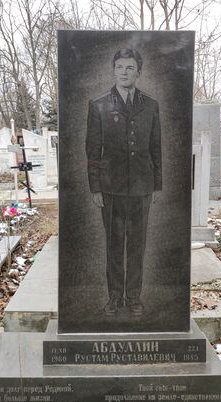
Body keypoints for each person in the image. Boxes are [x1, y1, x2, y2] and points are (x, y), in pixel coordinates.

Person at [86, 48, 162, 317]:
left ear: (138, 71)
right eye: (119, 67)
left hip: (142, 185)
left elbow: (156, 147)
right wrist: (95, 187)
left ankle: (134, 297)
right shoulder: (98, 105)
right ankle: (115, 297)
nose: (124, 72)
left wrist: (156, 185)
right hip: (111, 187)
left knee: (137, 245)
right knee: (114, 244)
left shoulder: (150, 105)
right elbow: (93, 151)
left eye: (130, 67)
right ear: (113, 69)